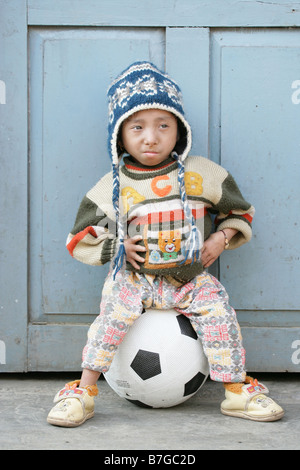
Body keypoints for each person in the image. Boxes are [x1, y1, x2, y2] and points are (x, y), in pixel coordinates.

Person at [47, 61, 284, 427]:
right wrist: (117, 248)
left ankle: (237, 391)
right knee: (109, 320)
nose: (150, 137)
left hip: (190, 278)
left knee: (220, 314)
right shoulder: (114, 186)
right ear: (119, 135)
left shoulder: (201, 174)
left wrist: (221, 237)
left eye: (163, 125)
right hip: (134, 279)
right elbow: (82, 234)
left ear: (179, 131)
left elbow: (240, 211)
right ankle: (83, 391)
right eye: (137, 127)